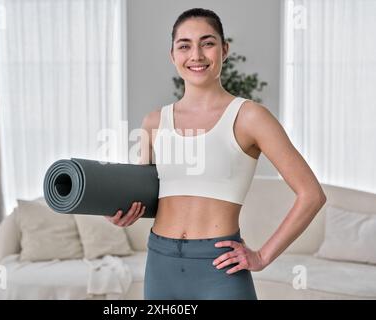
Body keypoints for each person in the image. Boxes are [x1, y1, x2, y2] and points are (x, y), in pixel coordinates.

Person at [105, 8, 326, 300]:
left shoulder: (250, 117)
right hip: (161, 264)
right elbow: (151, 198)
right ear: (173, 55)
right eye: (184, 45)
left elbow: (312, 194)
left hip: (220, 269)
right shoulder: (153, 122)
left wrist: (262, 256)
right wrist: (121, 213)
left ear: (224, 50)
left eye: (207, 43)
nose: (196, 55)